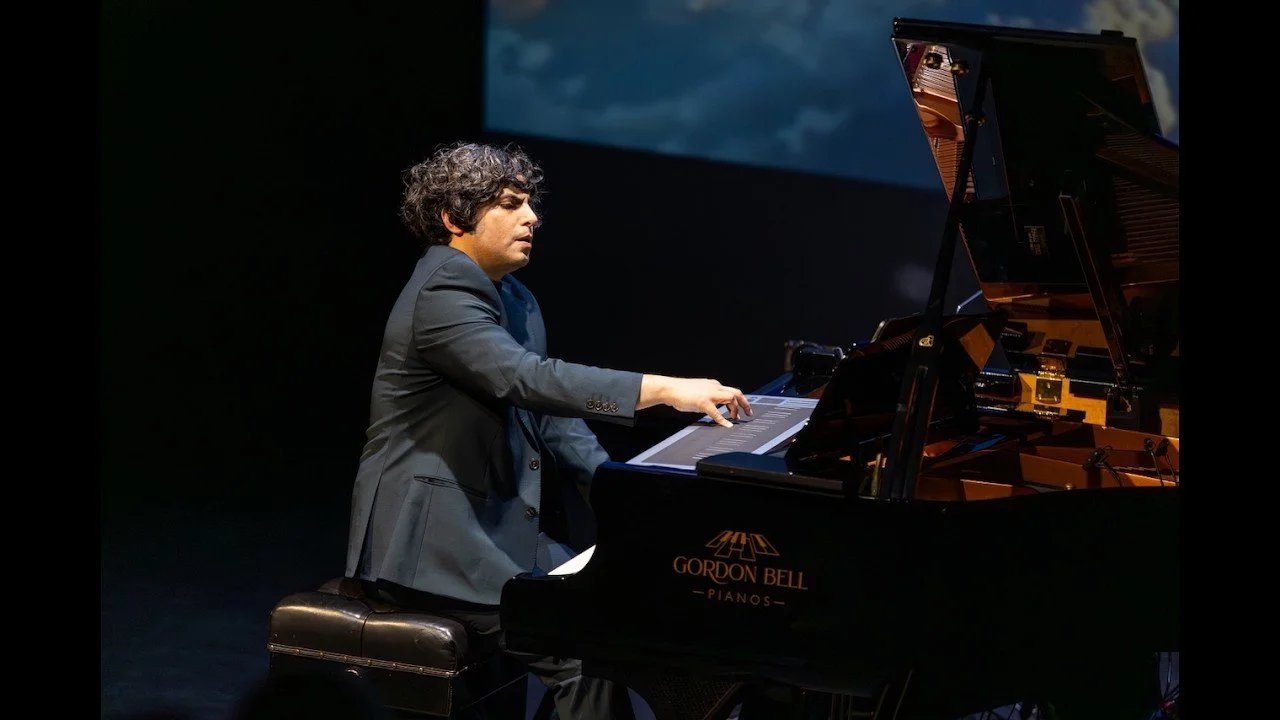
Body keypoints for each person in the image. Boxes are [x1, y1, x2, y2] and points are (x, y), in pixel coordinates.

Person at [345, 141, 752, 720]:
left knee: (629, 621)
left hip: (495, 530)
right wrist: (662, 388)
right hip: (431, 543)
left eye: (530, 203)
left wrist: (626, 493)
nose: (532, 217)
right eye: (511, 204)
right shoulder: (442, 291)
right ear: (454, 217)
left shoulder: (513, 297)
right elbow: (526, 378)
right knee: (581, 649)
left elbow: (552, 418)